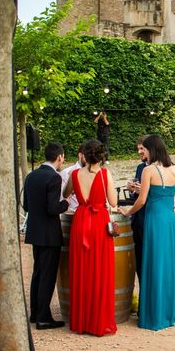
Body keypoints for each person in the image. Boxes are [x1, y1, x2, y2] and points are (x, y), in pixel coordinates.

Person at [120, 134, 175, 330]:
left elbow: (142, 200)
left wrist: (128, 211)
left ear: (151, 149)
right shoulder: (174, 169)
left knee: (153, 262)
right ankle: (171, 310)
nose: (142, 152)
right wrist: (173, 193)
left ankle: (155, 313)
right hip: (168, 219)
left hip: (154, 220)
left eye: (144, 149)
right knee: (168, 262)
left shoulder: (148, 170)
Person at [63, 139, 118, 336]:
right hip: (99, 223)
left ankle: (81, 321)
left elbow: (66, 193)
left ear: (83, 156)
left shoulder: (74, 173)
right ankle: (98, 322)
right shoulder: (104, 174)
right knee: (100, 271)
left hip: (80, 221)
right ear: (101, 156)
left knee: (81, 270)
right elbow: (113, 201)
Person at [23, 142, 69, 330]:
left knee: (38, 273)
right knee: (48, 276)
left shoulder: (31, 176)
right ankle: (43, 317)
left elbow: (26, 206)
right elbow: (53, 208)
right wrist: (65, 203)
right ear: (59, 157)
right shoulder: (54, 178)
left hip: (35, 231)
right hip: (50, 234)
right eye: (62, 158)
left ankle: (35, 313)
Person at [128, 135, 149, 280]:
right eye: (138, 149)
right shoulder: (140, 168)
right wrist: (131, 189)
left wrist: (144, 191)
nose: (139, 152)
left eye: (142, 148)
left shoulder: (163, 168)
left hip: (150, 217)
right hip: (138, 220)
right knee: (139, 259)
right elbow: (136, 197)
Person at [59, 142, 86, 212]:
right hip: (72, 213)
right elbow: (61, 198)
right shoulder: (66, 173)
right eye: (88, 156)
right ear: (80, 155)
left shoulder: (95, 173)